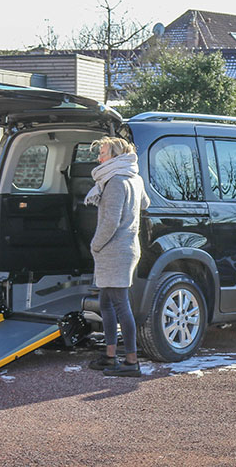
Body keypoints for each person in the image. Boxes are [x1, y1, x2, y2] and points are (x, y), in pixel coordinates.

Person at [85, 136, 149, 377]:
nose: (99, 158)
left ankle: (131, 362)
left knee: (120, 305)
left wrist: (95, 245)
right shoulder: (134, 178)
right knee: (106, 303)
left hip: (114, 250)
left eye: (103, 153)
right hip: (127, 248)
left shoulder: (114, 182)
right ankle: (110, 356)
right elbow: (145, 204)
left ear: (116, 157)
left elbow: (110, 221)